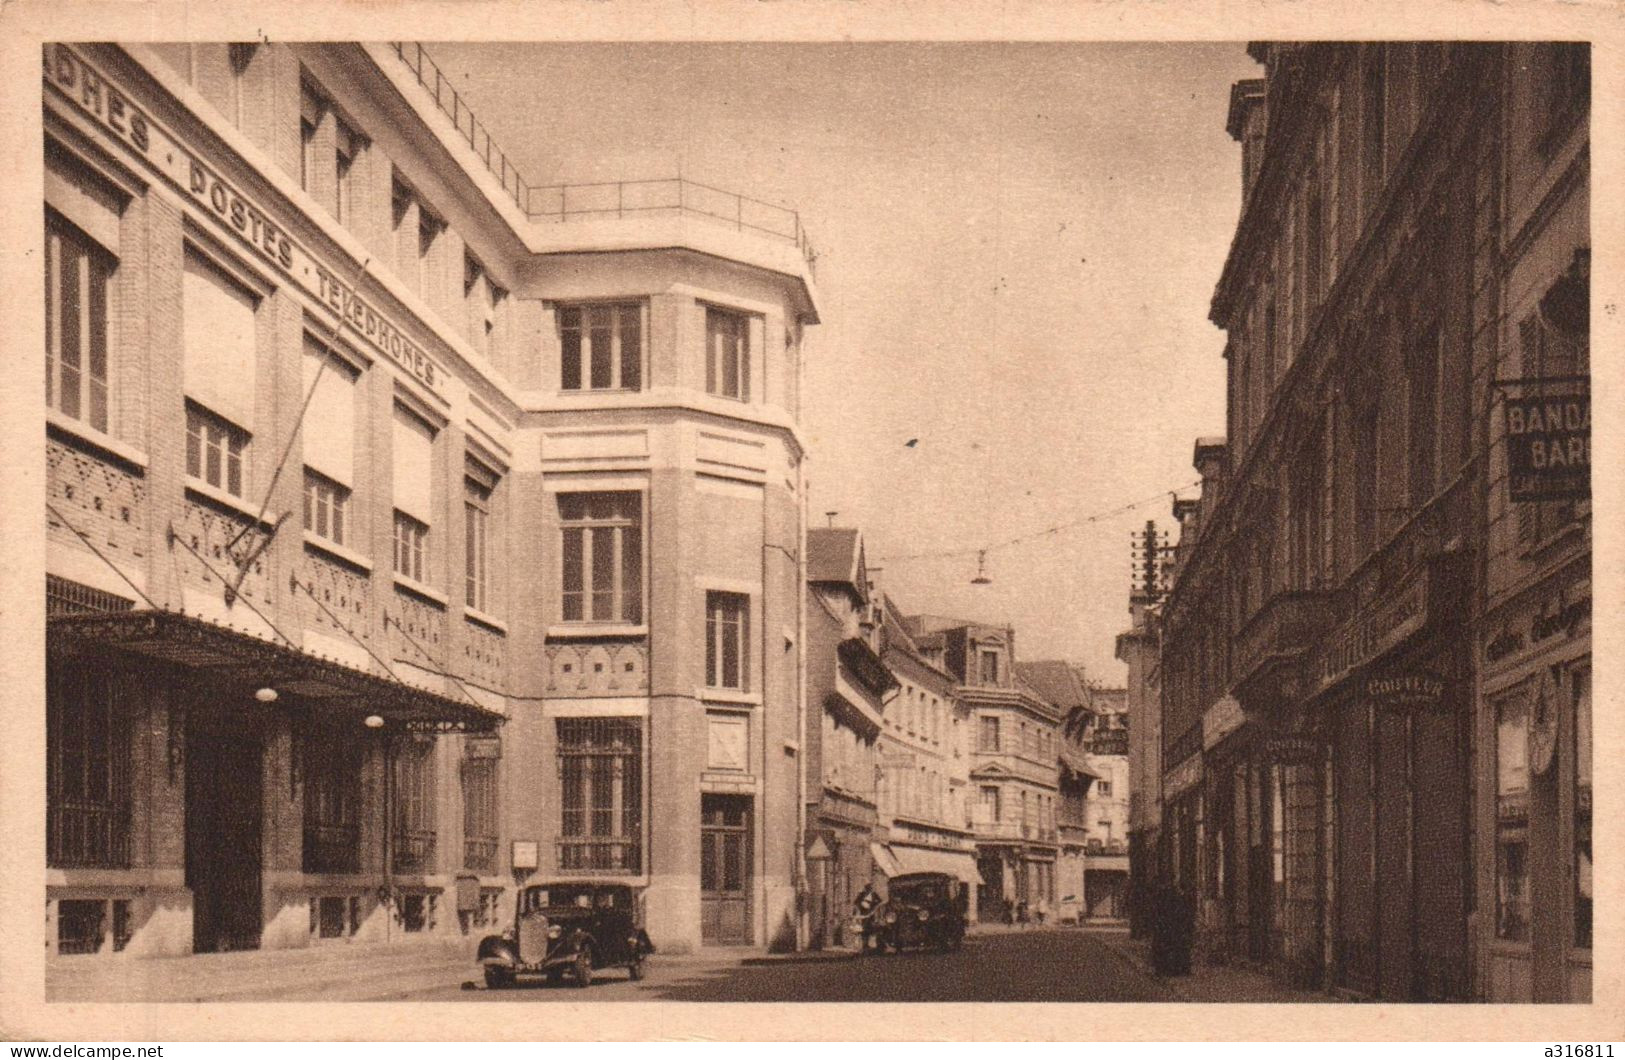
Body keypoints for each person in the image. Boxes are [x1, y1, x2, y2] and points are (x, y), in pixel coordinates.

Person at [853, 881, 882, 952]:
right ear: (865, 888)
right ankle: (864, 945)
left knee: (872, 928)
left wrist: (874, 907)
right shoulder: (861, 894)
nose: (869, 889)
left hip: (871, 914)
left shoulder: (874, 895)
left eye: (870, 887)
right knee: (864, 930)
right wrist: (860, 906)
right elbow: (856, 902)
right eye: (867, 887)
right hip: (863, 915)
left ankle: (872, 945)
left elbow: (880, 902)